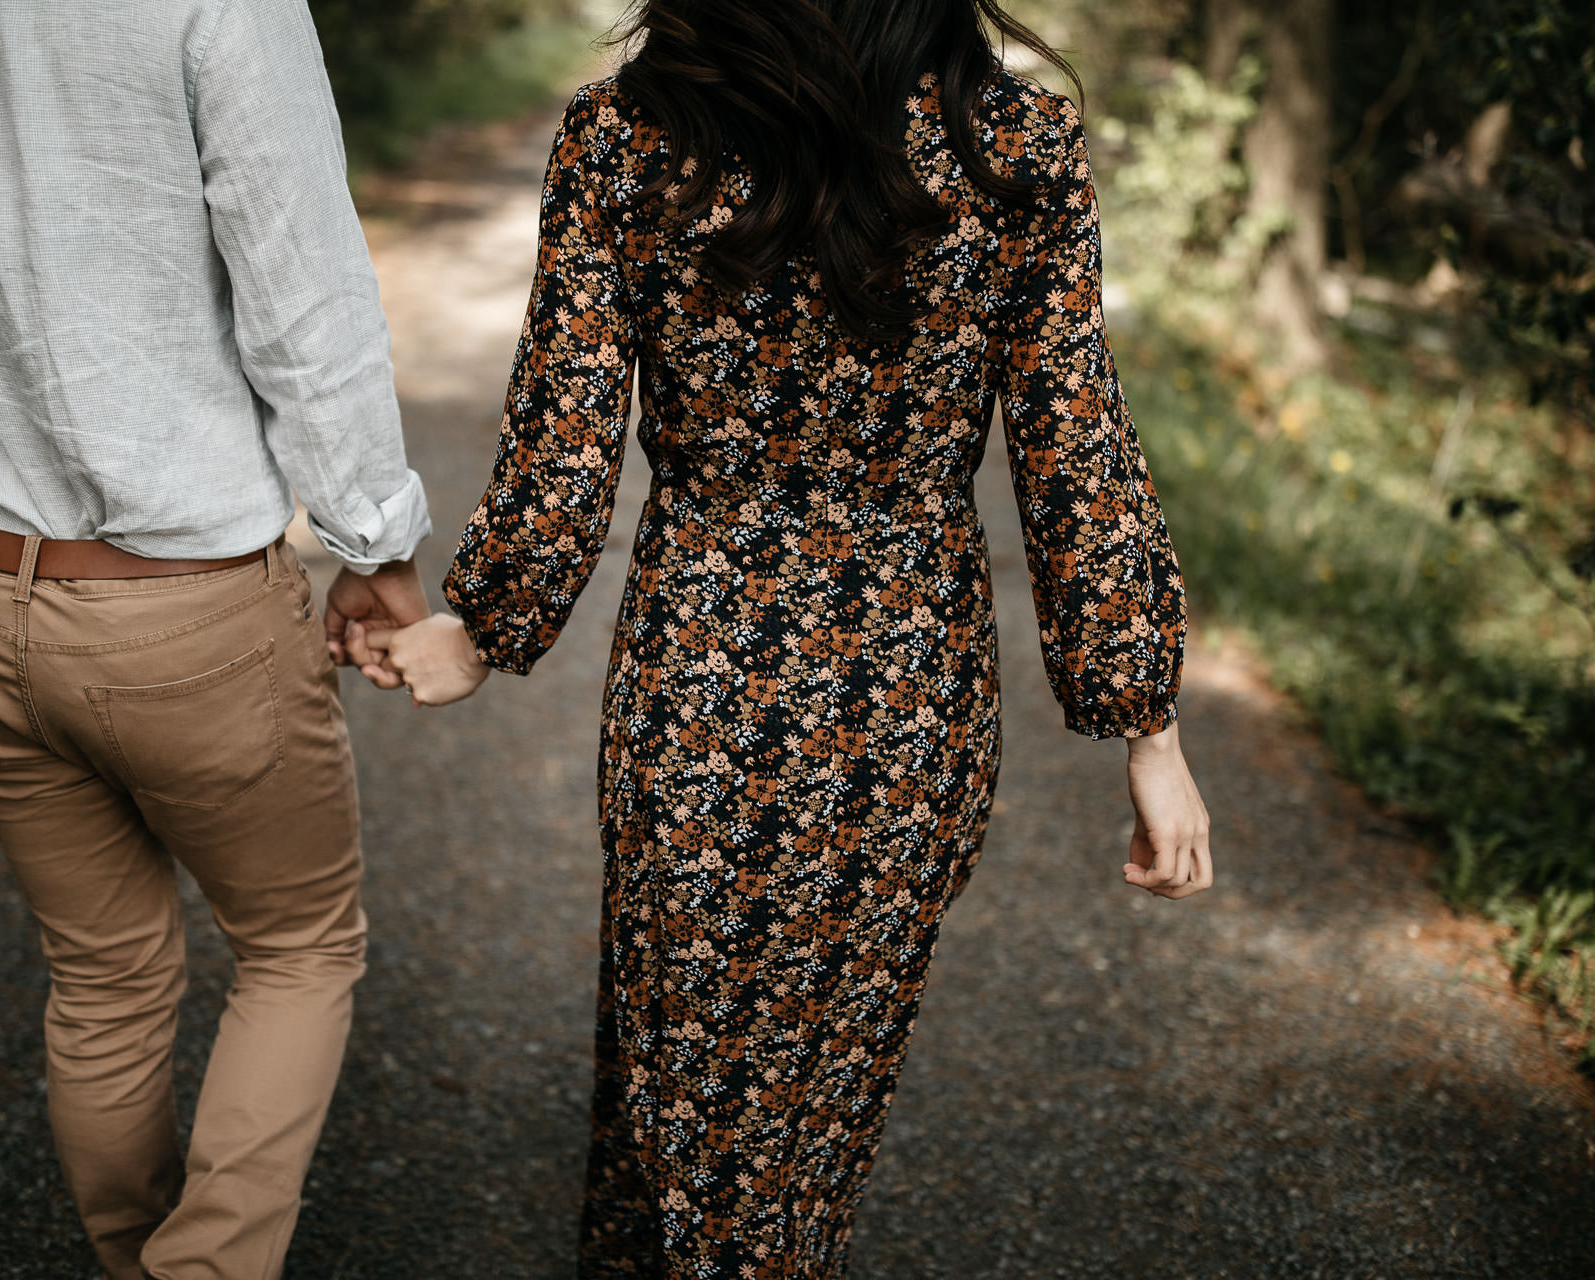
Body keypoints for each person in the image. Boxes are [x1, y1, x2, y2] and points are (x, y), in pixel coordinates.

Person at [362, 1, 1215, 1275]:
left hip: (695, 690)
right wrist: (1145, 725)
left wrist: (487, 624)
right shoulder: (1011, 144)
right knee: (803, 1113)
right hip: (909, 701)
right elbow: (1073, 448)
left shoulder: (631, 140)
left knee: (688, 1070)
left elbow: (568, 422)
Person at [0, 2, 430, 1276]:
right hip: (177, 604)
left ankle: (131, 1253)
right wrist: (378, 546)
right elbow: (301, 293)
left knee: (102, 972)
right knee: (301, 948)